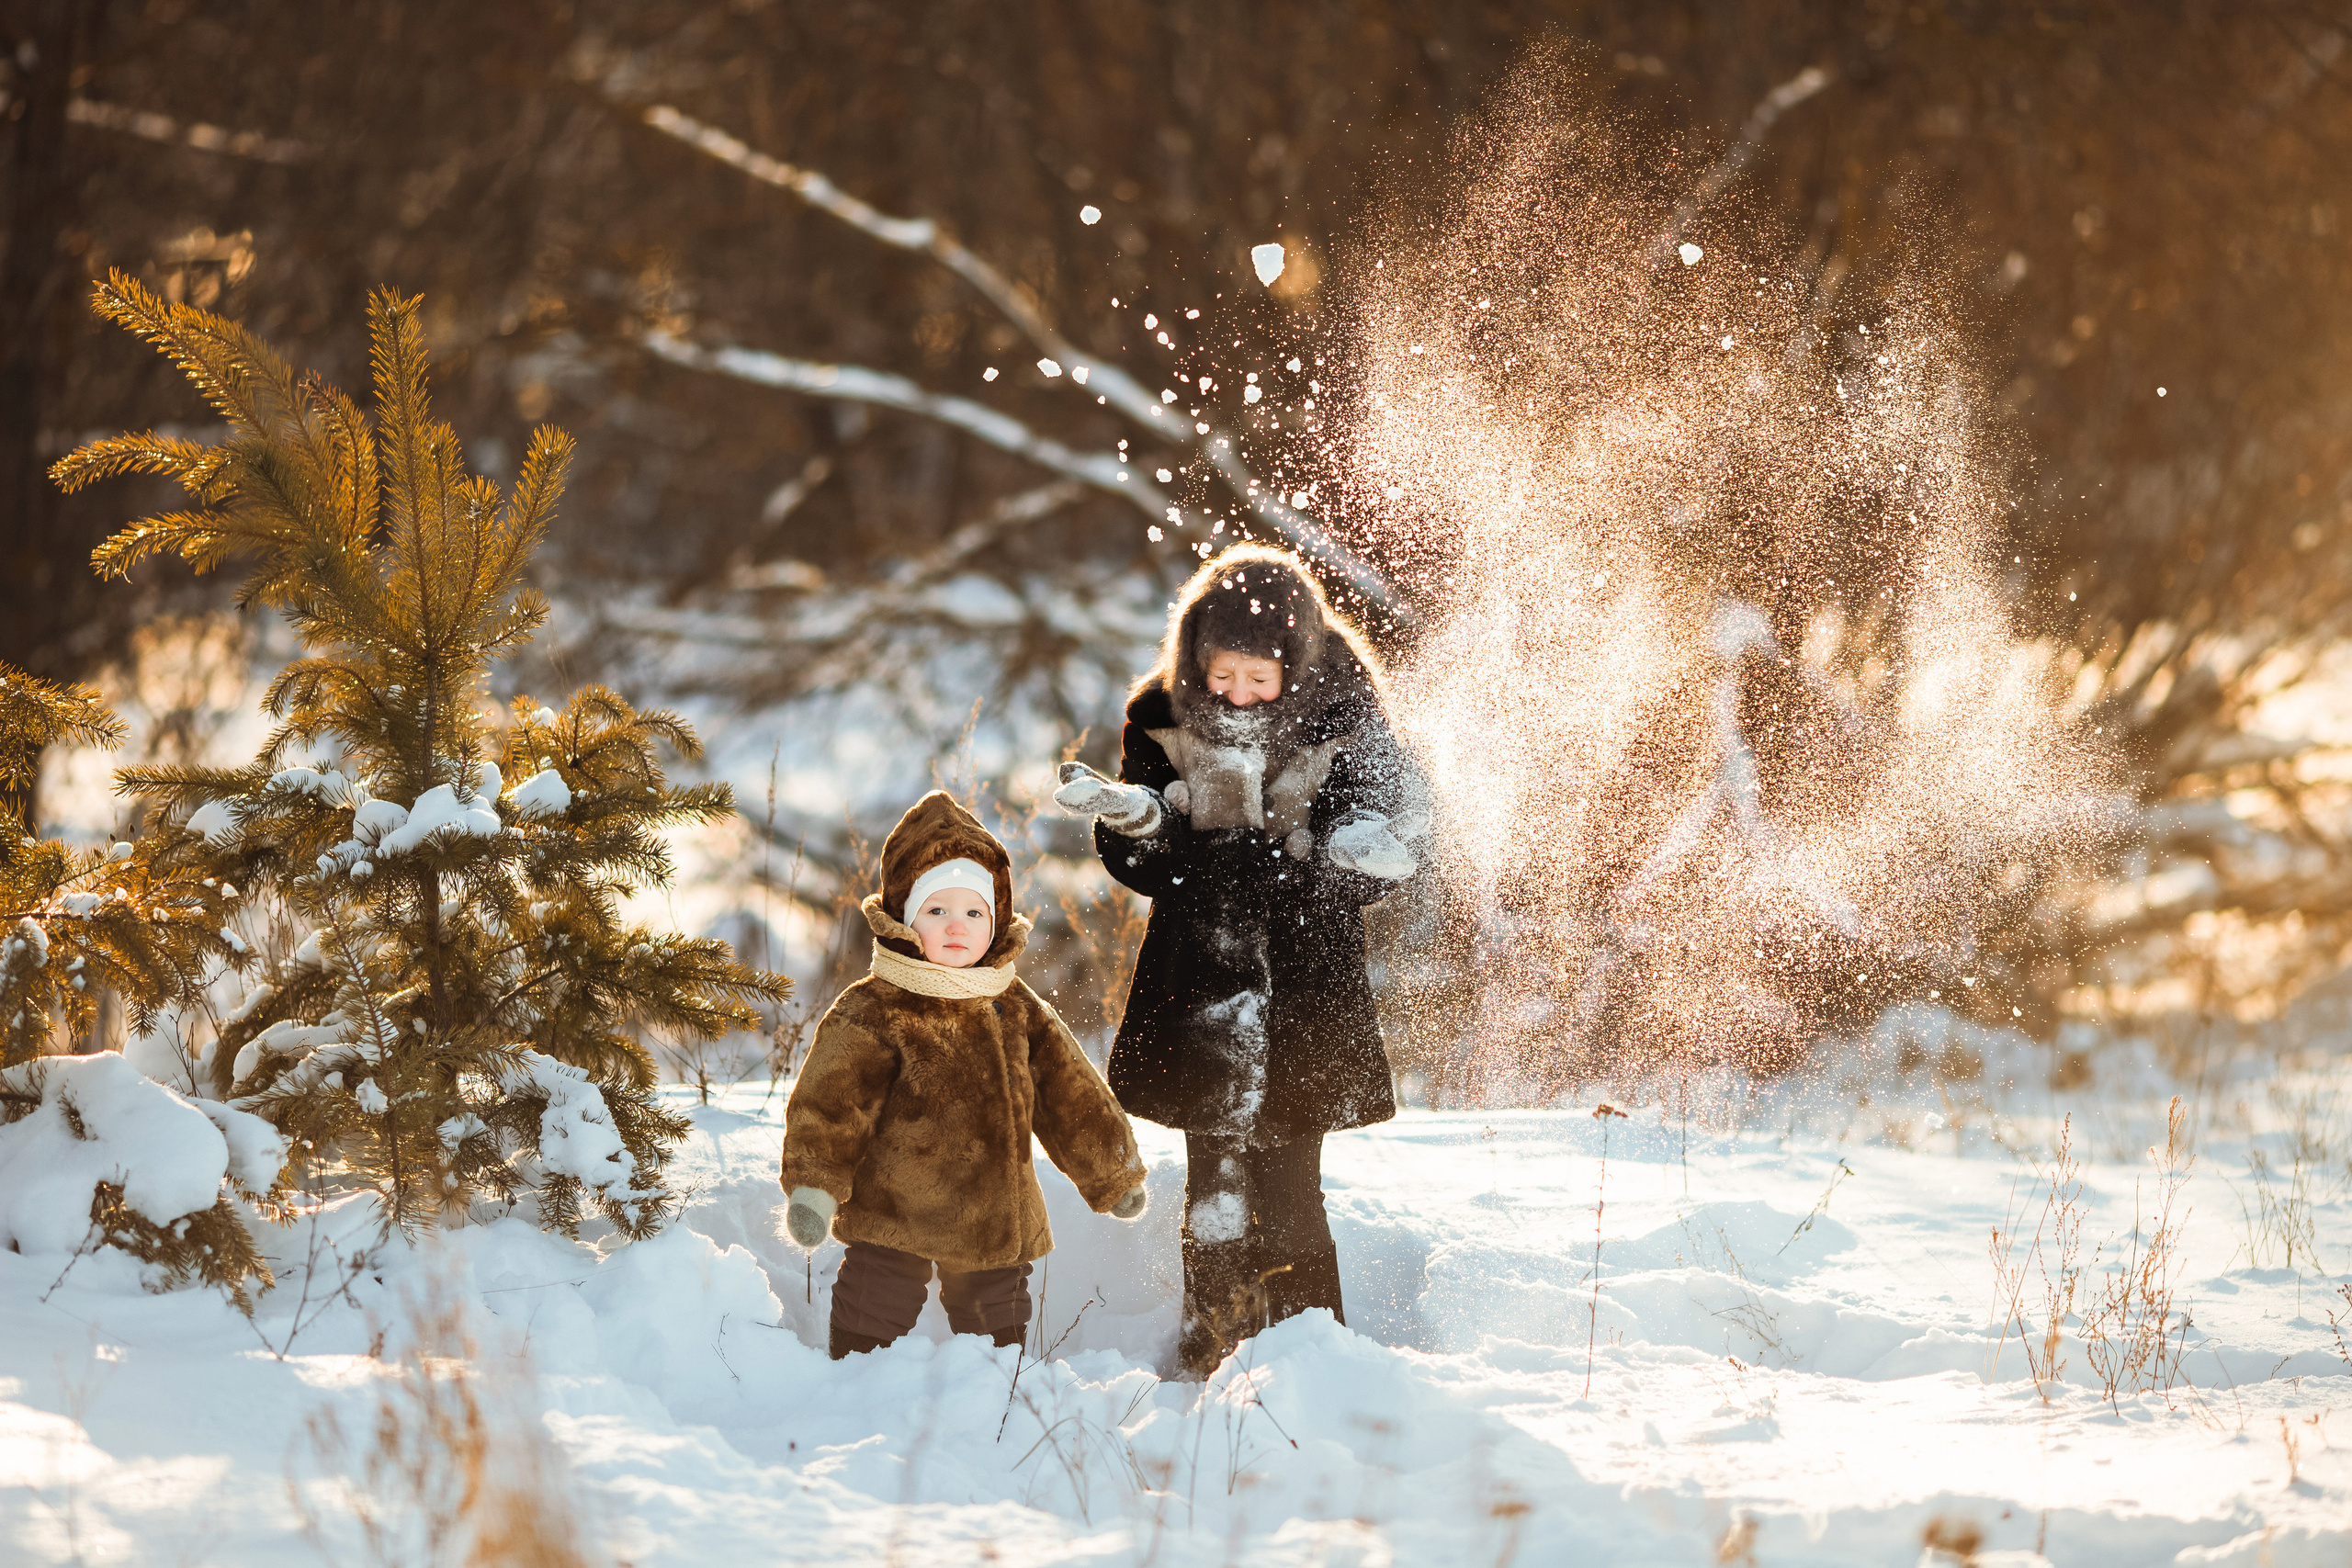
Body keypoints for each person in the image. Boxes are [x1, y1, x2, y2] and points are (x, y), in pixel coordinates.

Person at [1055, 544, 1422, 1376]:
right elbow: (1150, 861)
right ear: (1195, 659)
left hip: (1308, 990)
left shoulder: (1347, 715)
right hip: (1200, 985)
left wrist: (1342, 856)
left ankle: (1309, 1351)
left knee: (1292, 1180)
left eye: (1260, 678)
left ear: (1296, 662)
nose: (1240, 693)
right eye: (1224, 675)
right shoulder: (1160, 717)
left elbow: (1379, 827)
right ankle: (1211, 1339)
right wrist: (1135, 824)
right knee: (1214, 1185)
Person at [780, 790, 1149, 1359]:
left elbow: (1069, 1093)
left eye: (974, 912)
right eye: (937, 911)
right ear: (905, 917)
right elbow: (831, 1102)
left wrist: (1111, 1172)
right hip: (894, 1206)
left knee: (997, 1310)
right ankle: (854, 1379)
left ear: (996, 921)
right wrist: (815, 1186)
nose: (957, 927)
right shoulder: (876, 1007)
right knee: (876, 1298)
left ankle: (998, 1391)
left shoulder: (1016, 1005)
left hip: (993, 1207)